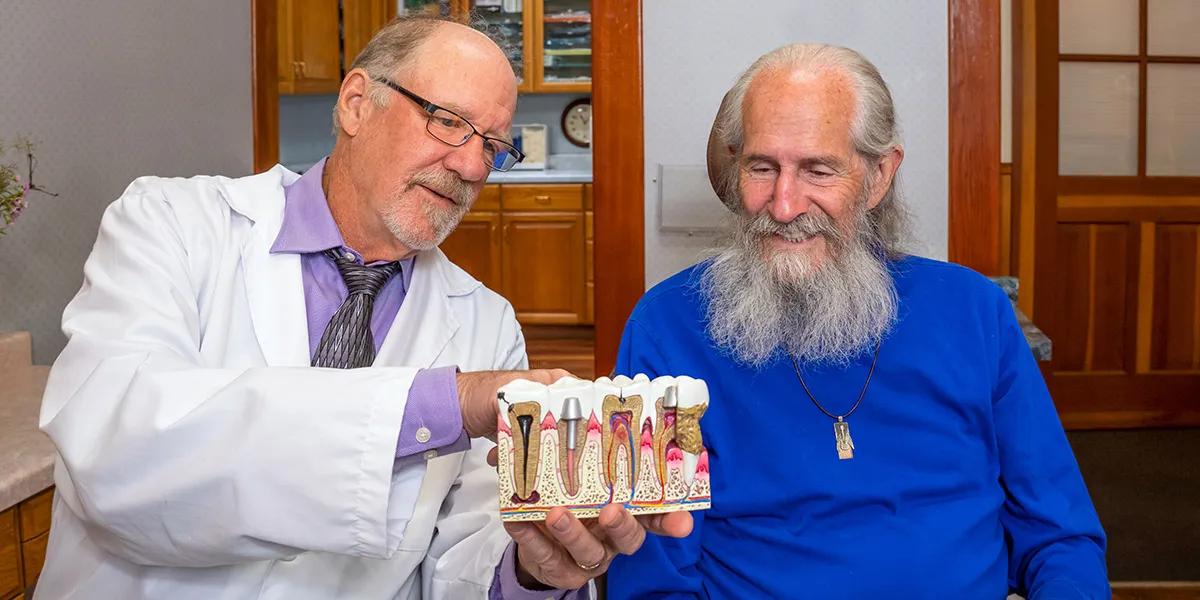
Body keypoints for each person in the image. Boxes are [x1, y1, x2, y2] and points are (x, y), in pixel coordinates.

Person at [34, 15, 688, 600]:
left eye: (492, 143)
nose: (471, 165)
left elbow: (464, 556)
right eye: (449, 120)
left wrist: (529, 572)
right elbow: (113, 449)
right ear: (355, 103)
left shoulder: (486, 323)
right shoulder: (172, 224)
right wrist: (447, 405)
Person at [605, 42, 1109, 600]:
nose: (785, 204)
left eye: (818, 170)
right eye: (761, 168)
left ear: (879, 175)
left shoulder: (974, 310)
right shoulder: (667, 328)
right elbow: (652, 578)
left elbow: (1061, 537)